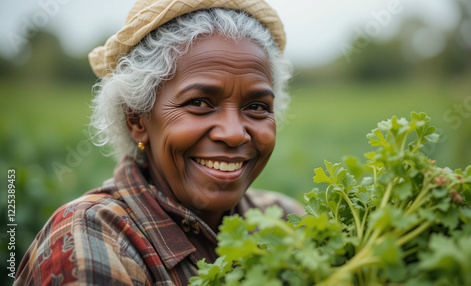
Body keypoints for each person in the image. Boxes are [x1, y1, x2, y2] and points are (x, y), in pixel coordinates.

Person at [14, 0, 303, 284]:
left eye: (256, 107)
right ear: (137, 120)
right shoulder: (90, 236)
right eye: (199, 102)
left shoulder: (286, 220)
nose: (234, 133)